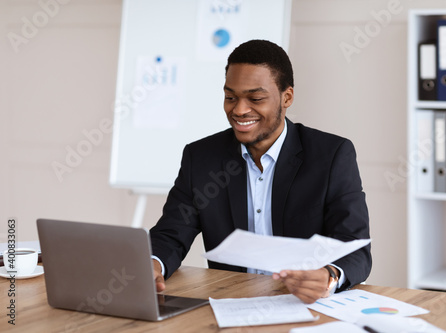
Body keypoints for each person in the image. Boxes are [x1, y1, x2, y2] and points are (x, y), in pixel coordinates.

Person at [150, 39, 371, 304]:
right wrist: (153, 264)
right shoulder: (201, 157)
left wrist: (329, 276)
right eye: (230, 97)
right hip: (232, 305)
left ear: (286, 97)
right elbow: (170, 234)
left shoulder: (332, 155)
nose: (239, 110)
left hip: (306, 305)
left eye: (255, 98)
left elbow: (355, 246)